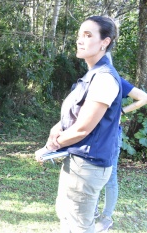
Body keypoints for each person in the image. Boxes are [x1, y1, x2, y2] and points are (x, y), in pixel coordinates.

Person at [36, 16, 122, 232]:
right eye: (79, 35)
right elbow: (76, 115)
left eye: (88, 35)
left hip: (88, 166)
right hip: (77, 161)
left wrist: (49, 147)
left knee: (79, 226)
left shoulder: (104, 78)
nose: (80, 40)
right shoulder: (91, 75)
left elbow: (84, 128)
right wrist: (58, 127)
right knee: (66, 216)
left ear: (105, 42)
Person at [95, 78, 147, 232]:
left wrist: (122, 111)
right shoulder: (92, 78)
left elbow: (144, 97)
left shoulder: (114, 79)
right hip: (94, 135)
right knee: (95, 174)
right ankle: (93, 212)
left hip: (111, 136)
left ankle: (106, 217)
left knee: (110, 177)